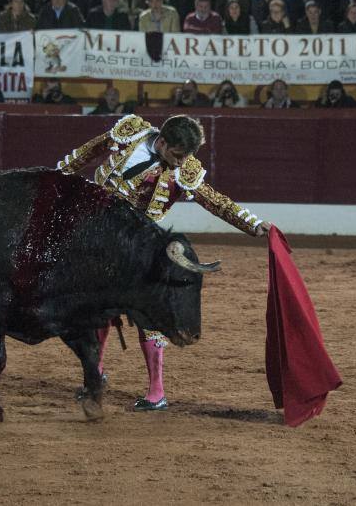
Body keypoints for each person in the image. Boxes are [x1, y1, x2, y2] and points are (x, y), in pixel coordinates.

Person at [56, 114, 272, 411]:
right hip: (99, 235)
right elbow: (86, 152)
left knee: (149, 315)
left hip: (141, 244)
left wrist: (252, 223)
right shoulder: (130, 132)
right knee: (98, 309)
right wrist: (53, 178)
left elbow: (216, 201)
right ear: (162, 142)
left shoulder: (185, 170)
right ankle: (95, 376)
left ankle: (156, 392)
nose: (183, 163)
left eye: (187, 157)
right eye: (178, 155)